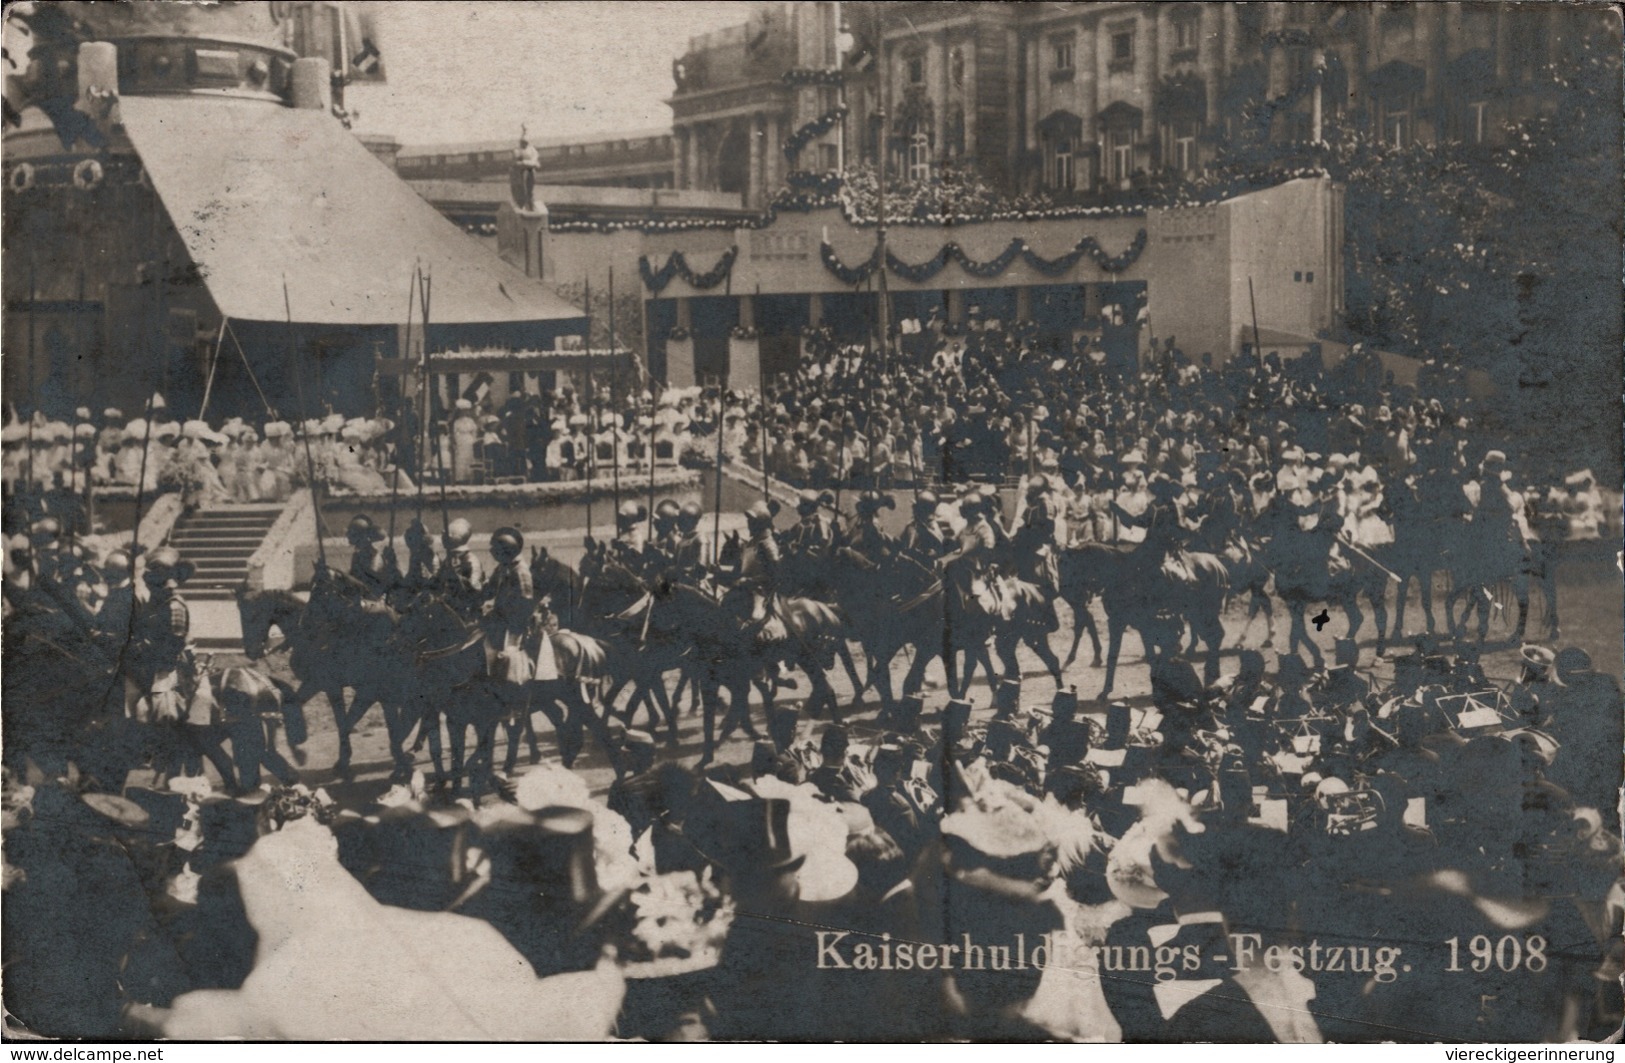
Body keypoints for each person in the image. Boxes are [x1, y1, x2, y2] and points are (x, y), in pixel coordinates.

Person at [125, 547, 195, 725]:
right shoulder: (153, 604)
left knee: (161, 705)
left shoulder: (174, 606)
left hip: (168, 666)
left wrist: (144, 650)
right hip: (147, 662)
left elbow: (174, 643)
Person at [480, 527, 534, 684]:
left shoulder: (521, 570)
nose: (492, 552)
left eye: (496, 549)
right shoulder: (503, 567)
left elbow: (526, 602)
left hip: (515, 625)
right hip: (499, 621)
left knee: (508, 656)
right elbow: (489, 591)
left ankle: (511, 692)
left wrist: (509, 621)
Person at [436, 518, 484, 619]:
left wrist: (456, 577)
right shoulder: (449, 559)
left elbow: (475, 589)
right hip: (447, 607)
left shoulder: (471, 561)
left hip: (466, 612)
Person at [345, 515, 394, 601]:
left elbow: (369, 583)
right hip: (361, 595)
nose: (349, 537)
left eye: (353, 534)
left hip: (374, 599)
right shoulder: (357, 555)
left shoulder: (375, 555)